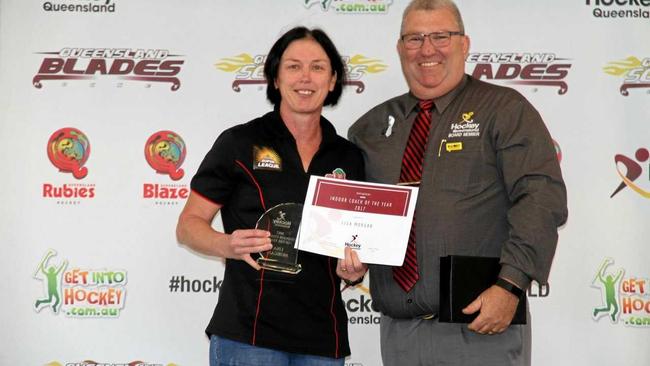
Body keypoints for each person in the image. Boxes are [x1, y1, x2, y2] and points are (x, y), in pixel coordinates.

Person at [347, 1, 568, 365]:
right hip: (400, 332)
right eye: (414, 38)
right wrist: (350, 260)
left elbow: (541, 197)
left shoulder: (504, 109)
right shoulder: (371, 128)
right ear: (400, 48)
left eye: (440, 36)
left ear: (464, 44)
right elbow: (357, 217)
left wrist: (510, 284)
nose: (427, 49)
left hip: (481, 325)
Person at [176, 26, 366, 366]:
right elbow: (188, 225)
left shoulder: (348, 156)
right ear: (275, 78)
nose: (305, 77)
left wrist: (354, 271)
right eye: (293, 66)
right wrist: (226, 245)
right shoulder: (239, 142)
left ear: (333, 80)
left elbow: (354, 241)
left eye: (318, 67)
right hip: (249, 335)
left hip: (323, 338)